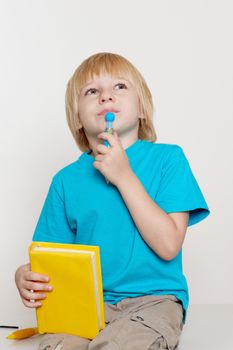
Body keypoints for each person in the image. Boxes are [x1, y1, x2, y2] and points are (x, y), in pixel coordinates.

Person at [15, 52, 210, 350]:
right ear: (78, 118)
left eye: (119, 87)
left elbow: (169, 245)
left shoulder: (169, 160)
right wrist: (26, 275)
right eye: (92, 91)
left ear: (142, 109)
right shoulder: (65, 181)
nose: (106, 97)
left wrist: (123, 176)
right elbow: (52, 260)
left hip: (153, 302)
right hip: (85, 305)